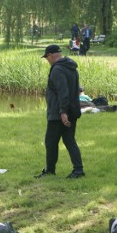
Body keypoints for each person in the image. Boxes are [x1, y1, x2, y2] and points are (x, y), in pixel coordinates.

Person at [35, 44, 84, 179]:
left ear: (50, 55)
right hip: (72, 110)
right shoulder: (71, 67)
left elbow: (63, 92)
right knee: (69, 140)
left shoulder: (57, 70)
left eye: (47, 58)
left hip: (58, 113)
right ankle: (78, 170)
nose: (47, 61)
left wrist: (63, 112)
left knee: (50, 142)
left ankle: (50, 171)